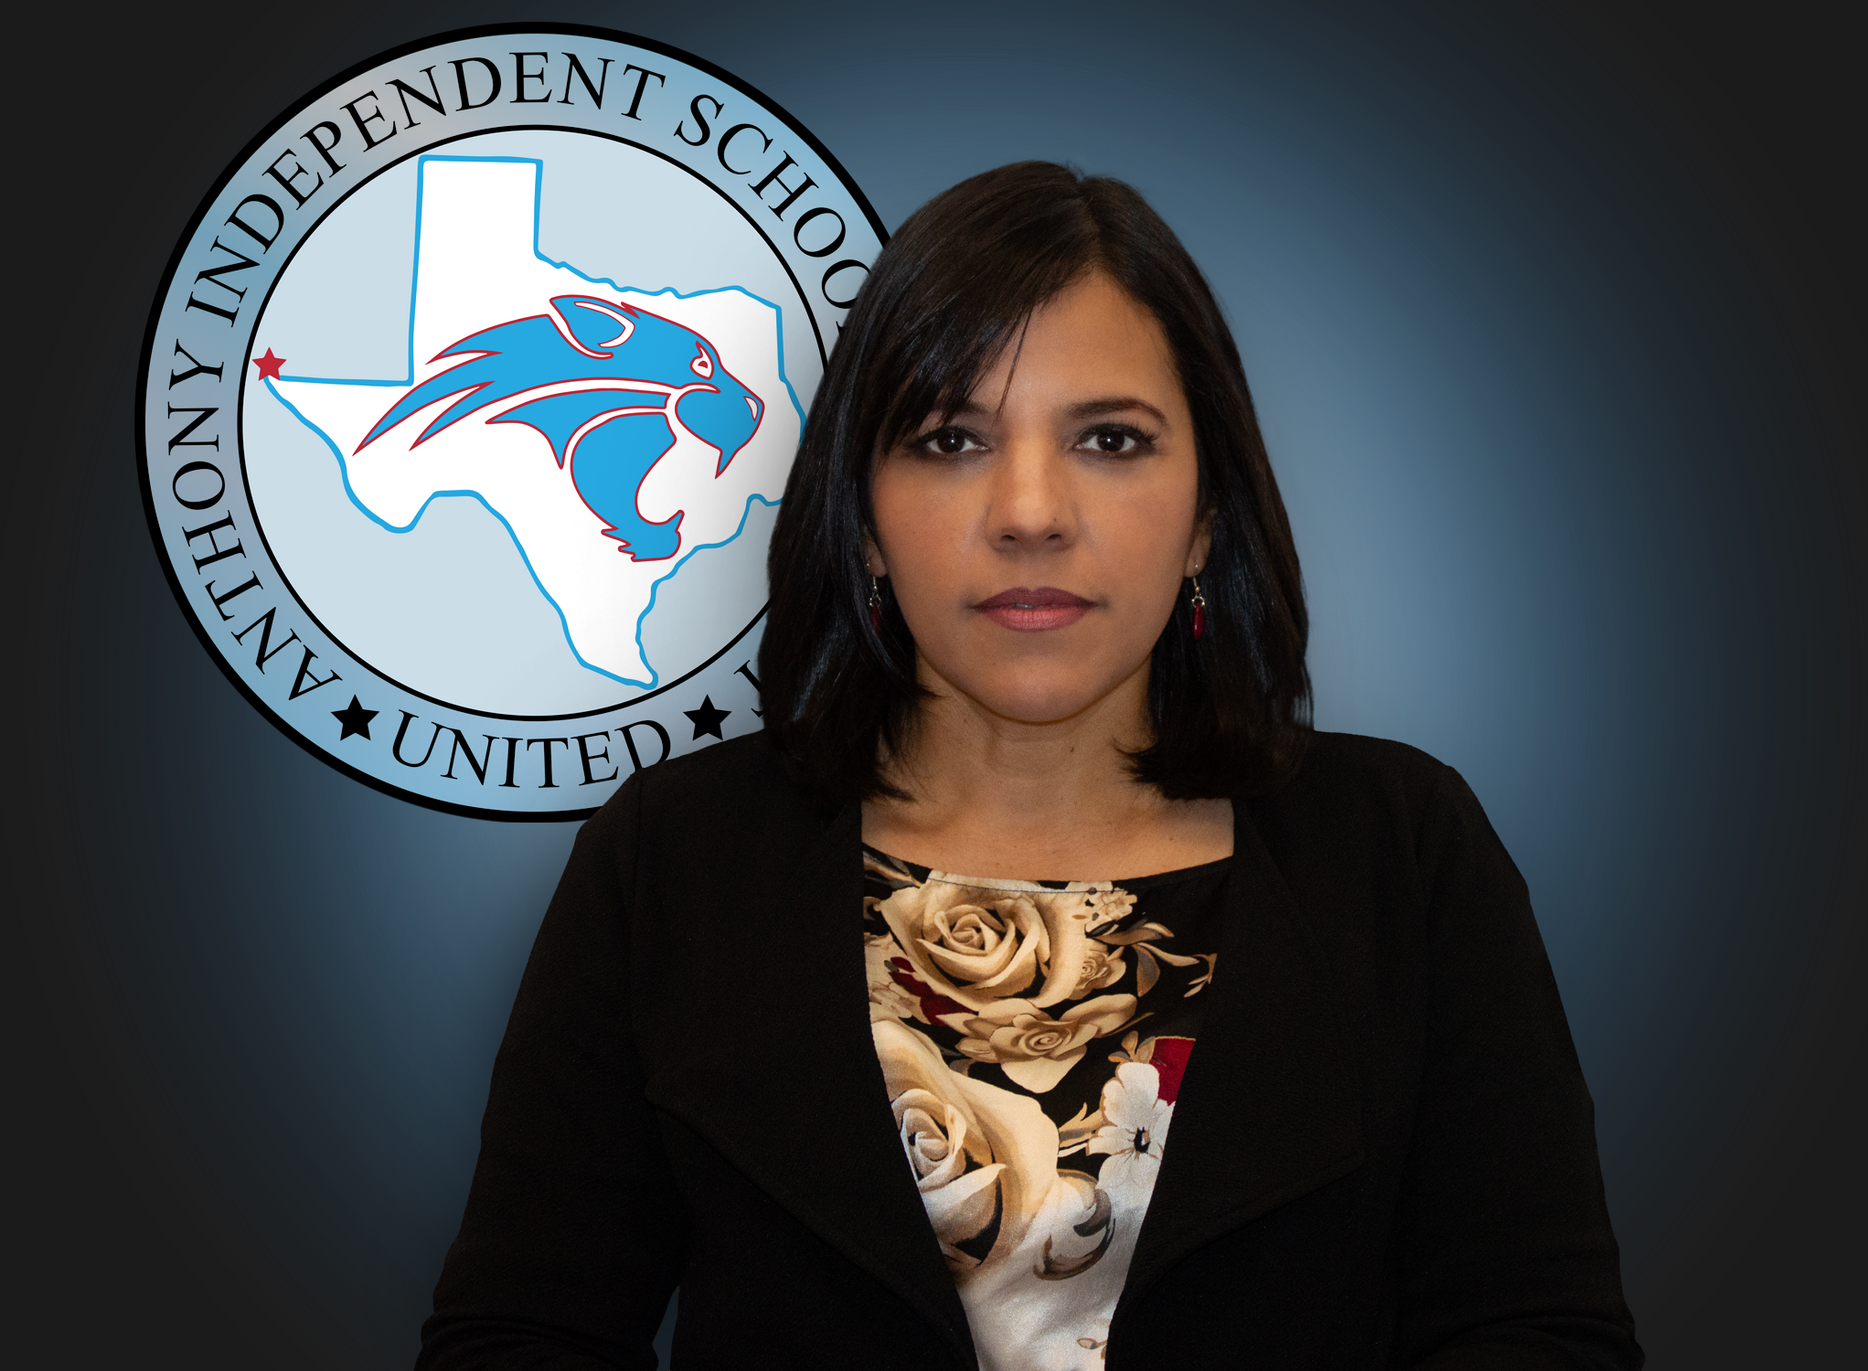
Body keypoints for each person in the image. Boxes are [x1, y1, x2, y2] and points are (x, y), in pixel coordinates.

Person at [418, 162, 1642, 1371]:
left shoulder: (1403, 851)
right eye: (951, 438)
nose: (1031, 510)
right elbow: (524, 1336)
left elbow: (1536, 1331)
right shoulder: (674, 859)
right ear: (865, 520)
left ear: (1208, 509)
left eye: (1110, 438)